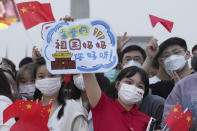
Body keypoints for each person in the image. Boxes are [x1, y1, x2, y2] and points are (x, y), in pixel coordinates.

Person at [83, 66, 150, 131]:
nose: (134, 88)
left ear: (144, 92)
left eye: (140, 86)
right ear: (117, 84)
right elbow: (86, 70)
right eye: (129, 82)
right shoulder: (102, 105)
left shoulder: (148, 122)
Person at [33, 57, 88, 131]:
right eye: (41, 76)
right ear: (35, 79)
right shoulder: (27, 109)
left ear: (62, 78)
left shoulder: (74, 110)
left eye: (52, 75)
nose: (47, 80)